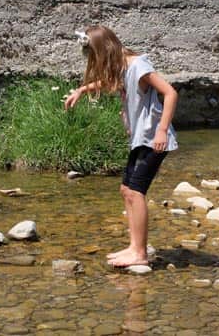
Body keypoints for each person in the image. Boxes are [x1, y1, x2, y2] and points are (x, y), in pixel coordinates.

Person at [64, 25, 178, 267]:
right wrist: (82, 90)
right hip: (140, 137)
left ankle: (140, 253)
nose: (94, 62)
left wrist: (161, 129)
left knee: (136, 192)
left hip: (153, 138)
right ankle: (134, 247)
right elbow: (108, 83)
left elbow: (170, 93)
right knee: (126, 190)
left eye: (95, 56)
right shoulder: (124, 66)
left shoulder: (138, 65)